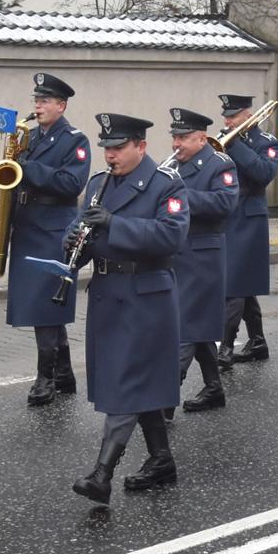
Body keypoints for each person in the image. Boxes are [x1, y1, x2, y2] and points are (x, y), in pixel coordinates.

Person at [67, 112, 189, 504]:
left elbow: (172, 236)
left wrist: (114, 224)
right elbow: (87, 234)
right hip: (107, 292)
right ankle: (161, 459)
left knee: (128, 381)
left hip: (146, 295)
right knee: (136, 380)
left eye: (118, 148)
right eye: (107, 148)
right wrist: (74, 245)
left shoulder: (166, 185)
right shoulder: (99, 184)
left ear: (141, 146)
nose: (110, 155)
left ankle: (102, 472)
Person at [10, 73, 91, 406]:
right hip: (29, 225)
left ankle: (45, 379)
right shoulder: (28, 137)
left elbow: (71, 184)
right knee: (44, 303)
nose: (38, 106)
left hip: (53, 228)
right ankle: (64, 373)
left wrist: (28, 169)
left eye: (45, 101)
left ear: (62, 105)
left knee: (45, 304)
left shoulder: (76, 140)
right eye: (36, 100)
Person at [165, 108, 236, 413]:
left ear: (201, 138)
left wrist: (180, 194)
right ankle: (213, 388)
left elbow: (224, 203)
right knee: (198, 326)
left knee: (185, 328)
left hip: (203, 256)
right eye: (174, 137)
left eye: (182, 137)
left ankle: (164, 398)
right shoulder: (172, 166)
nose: (175, 144)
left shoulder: (220, 164)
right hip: (176, 253)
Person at [217, 94, 278, 369]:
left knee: (234, 286)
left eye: (233, 116)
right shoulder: (226, 140)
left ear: (247, 115)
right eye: (226, 116)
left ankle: (225, 348)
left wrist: (235, 145)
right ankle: (257, 341)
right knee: (243, 283)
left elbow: (264, 173)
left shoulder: (266, 142)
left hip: (250, 217)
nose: (228, 121)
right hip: (228, 216)